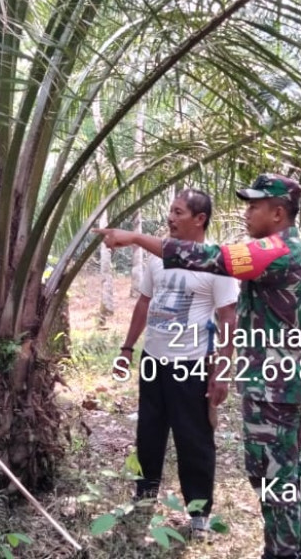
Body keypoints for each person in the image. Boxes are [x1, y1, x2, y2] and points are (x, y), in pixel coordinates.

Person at [96, 174, 301, 559]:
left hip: (275, 386)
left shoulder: (279, 250)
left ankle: (284, 552)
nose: (247, 212)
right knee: (291, 468)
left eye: (255, 206)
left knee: (274, 476)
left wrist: (134, 238)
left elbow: (210, 259)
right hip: (285, 382)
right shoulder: (291, 250)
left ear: (278, 212)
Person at [113, 189, 238, 536]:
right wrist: (127, 349)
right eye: (170, 210)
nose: (170, 218)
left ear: (200, 219)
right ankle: (144, 496)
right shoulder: (158, 258)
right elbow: (144, 304)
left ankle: (198, 514)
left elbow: (229, 318)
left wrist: (222, 371)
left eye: (178, 212)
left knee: (193, 438)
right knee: (149, 432)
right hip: (154, 359)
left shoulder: (217, 265)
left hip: (191, 363)